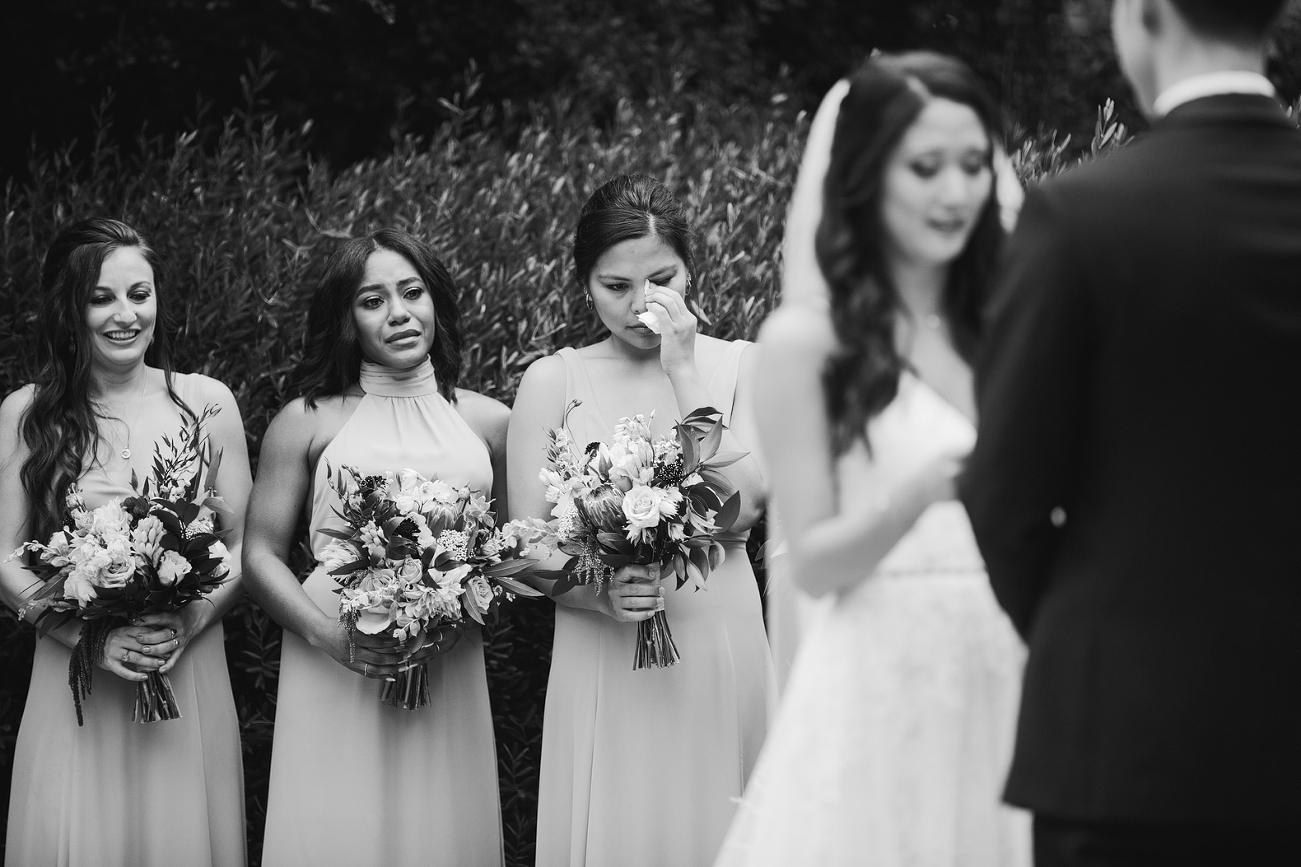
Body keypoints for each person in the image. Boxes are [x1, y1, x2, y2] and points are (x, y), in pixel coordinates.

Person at [961, 1, 1301, 863]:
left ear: (1141, 13)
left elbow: (1004, 493)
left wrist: (1096, 636)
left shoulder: (1080, 216)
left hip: (1124, 749)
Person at [714, 53, 1030, 867]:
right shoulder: (806, 345)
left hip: (1011, 661)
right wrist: (920, 494)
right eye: (925, 168)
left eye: (972, 164)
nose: (955, 193)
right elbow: (813, 564)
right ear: (864, 175)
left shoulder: (1005, 325)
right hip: (882, 668)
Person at [507, 174, 774, 867]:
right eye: (614, 286)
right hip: (603, 651)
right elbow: (519, 548)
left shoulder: (740, 365)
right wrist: (598, 593)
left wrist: (684, 369)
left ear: (690, 270)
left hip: (718, 639)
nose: (640, 304)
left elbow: (744, 502)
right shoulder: (550, 379)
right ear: (583, 284)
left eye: (661, 279)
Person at [243, 229, 509, 866]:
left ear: (435, 301)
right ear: (346, 320)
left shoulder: (489, 421)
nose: (399, 312)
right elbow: (257, 556)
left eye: (412, 292)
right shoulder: (307, 420)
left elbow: (520, 547)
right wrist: (327, 636)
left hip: (449, 658)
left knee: (440, 828)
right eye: (372, 300)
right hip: (334, 652)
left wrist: (460, 601)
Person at [0, 217, 250, 867]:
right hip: (76, 677)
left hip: (186, 668)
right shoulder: (29, 413)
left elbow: (241, 550)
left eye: (139, 294)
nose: (125, 314)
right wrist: (92, 639)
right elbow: (4, 555)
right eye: (101, 297)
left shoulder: (207, 405)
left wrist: (187, 621)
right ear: (69, 309)